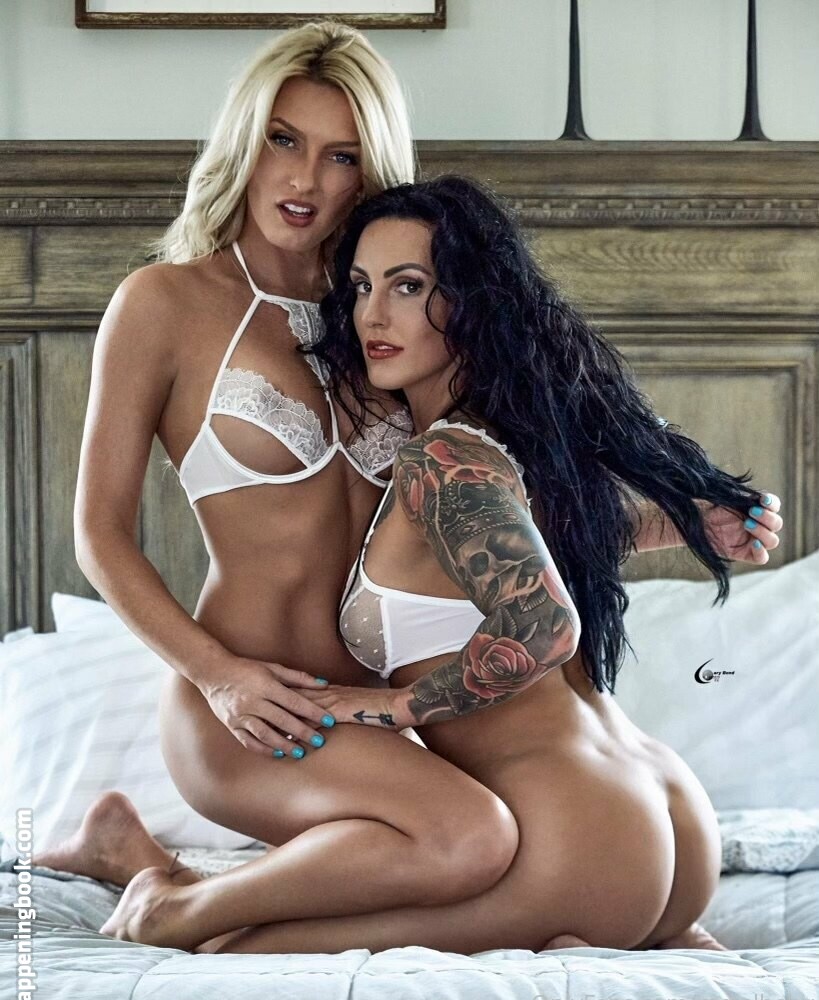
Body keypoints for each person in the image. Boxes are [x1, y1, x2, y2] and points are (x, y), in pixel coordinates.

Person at [77, 174, 780, 958]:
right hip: (668, 824)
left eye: (408, 287)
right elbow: (540, 552)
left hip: (580, 848)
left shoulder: (440, 460)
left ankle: (164, 903)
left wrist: (391, 707)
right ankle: (145, 865)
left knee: (246, 952)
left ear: (473, 303)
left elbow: (543, 624)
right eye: (360, 287)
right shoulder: (506, 446)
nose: (372, 315)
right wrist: (684, 525)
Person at [32, 23, 523, 952]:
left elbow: (499, 500)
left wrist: (674, 517)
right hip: (244, 712)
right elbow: (99, 532)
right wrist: (219, 678)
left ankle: (140, 859)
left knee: (528, 844)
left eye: (341, 155)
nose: (304, 180)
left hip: (367, 714)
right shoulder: (165, 303)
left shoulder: (392, 315)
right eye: (282, 140)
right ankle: (169, 910)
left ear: (370, 171)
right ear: (243, 143)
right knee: (470, 837)